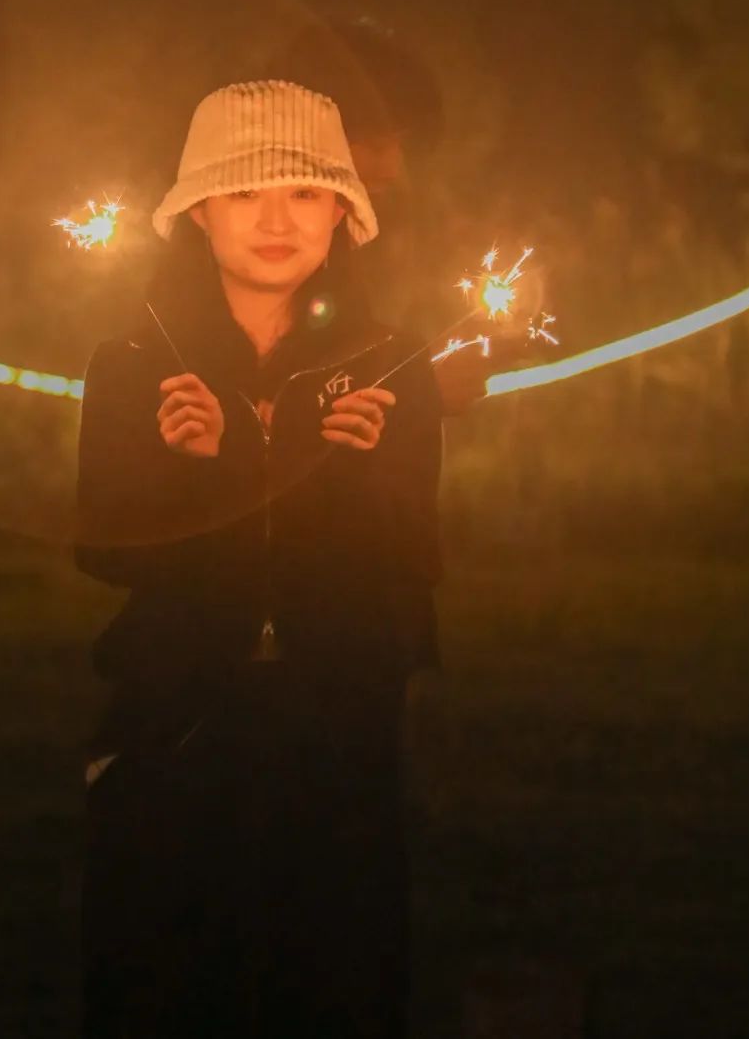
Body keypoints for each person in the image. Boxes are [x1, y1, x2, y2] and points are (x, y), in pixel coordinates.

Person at [74, 78, 444, 1037]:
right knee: (173, 972)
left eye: (305, 193)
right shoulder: (132, 362)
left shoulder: (394, 365)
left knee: (334, 974)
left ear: (342, 216)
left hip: (339, 725)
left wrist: (344, 476)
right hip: (179, 718)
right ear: (199, 212)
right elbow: (105, 540)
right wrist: (204, 471)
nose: (276, 221)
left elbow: (414, 553)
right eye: (245, 193)